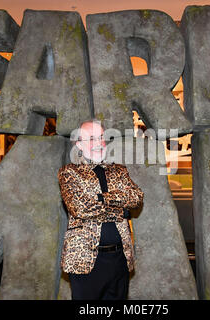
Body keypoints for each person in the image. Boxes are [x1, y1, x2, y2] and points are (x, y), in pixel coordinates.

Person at [57, 118, 144, 300]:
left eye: (101, 137)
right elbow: (80, 208)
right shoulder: (69, 173)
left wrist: (100, 198)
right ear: (79, 145)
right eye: (91, 139)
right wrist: (120, 209)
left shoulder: (119, 171)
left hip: (120, 258)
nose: (98, 143)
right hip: (85, 260)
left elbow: (136, 197)